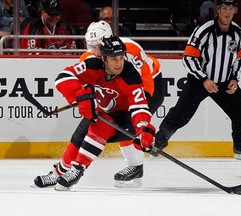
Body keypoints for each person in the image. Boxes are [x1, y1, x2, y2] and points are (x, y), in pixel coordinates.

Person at [33, 21, 164, 189]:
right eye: (91, 46)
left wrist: (141, 125)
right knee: (86, 129)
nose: (93, 50)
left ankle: (135, 166)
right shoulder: (90, 59)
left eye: (97, 46)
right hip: (115, 94)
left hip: (148, 85)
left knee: (123, 125)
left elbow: (140, 87)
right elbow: (79, 83)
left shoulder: (130, 52)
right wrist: (82, 97)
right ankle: (59, 172)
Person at [152, 0, 241, 161]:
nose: (227, 12)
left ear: (235, 11)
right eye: (224, 8)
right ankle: (157, 144)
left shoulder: (237, 32)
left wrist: (234, 79)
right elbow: (188, 58)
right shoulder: (204, 30)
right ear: (218, 10)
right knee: (180, 115)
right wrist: (204, 79)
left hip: (224, 83)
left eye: (231, 9)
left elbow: (238, 58)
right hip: (199, 81)